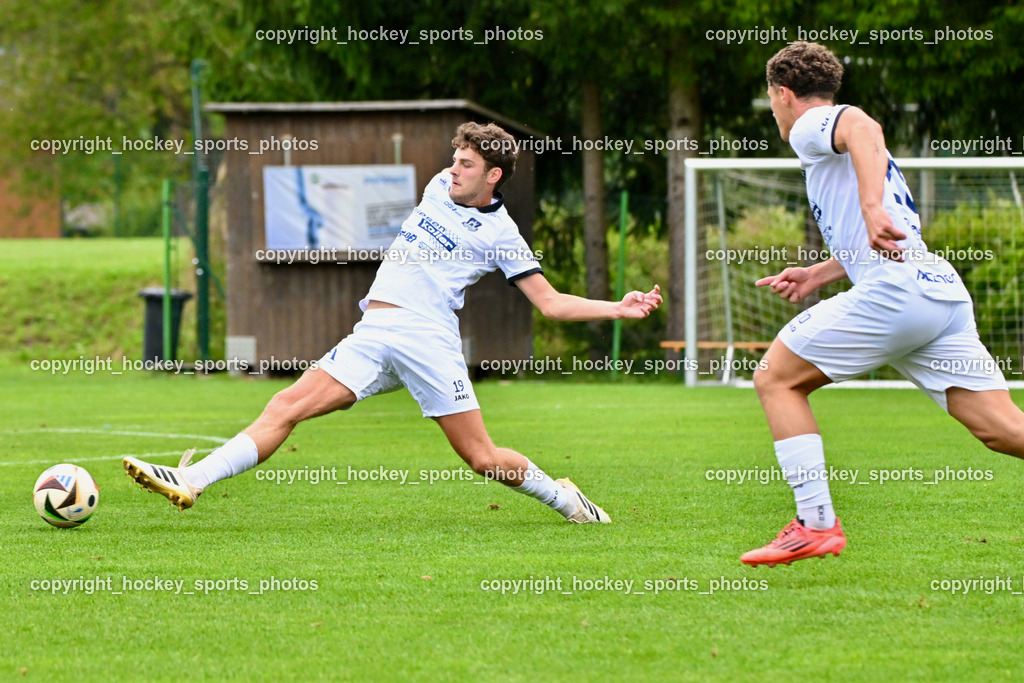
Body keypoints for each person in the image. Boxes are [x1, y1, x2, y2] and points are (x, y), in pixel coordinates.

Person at [124, 121, 662, 524]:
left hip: (428, 340)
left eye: (468, 165)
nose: (454, 168)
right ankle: (192, 479)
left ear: (494, 176)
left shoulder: (502, 234)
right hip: (375, 333)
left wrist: (616, 307)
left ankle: (565, 498)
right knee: (285, 404)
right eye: (455, 158)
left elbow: (549, 303)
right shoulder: (437, 186)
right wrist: (452, 168)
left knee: (482, 458)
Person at [742, 41, 1024, 565]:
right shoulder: (842, 149)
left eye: (772, 98)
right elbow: (879, 234)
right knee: (1003, 430)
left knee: (776, 378)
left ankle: (815, 523)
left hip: (896, 293)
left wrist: (871, 208)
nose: (775, 109)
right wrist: (820, 273)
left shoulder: (812, 124)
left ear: (783, 93)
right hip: (934, 289)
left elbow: (864, 126)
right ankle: (815, 524)